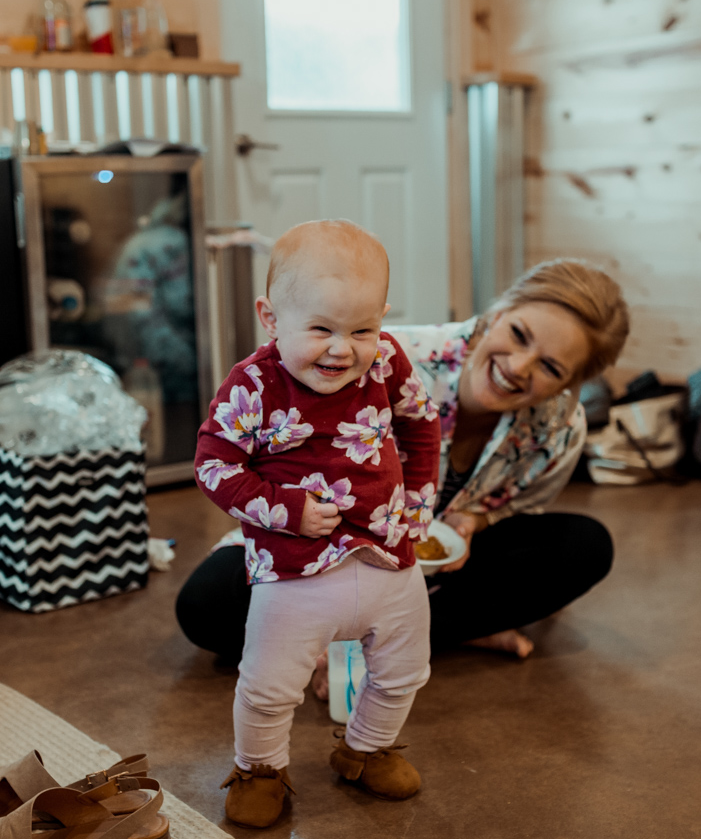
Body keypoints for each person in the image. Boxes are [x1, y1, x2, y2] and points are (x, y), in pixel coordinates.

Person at [178, 258, 630, 678]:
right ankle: (423, 636)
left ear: (570, 384)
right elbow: (258, 463)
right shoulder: (379, 358)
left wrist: (475, 519)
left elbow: (518, 513)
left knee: (585, 546)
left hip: (425, 566)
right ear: (498, 311)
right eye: (518, 334)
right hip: (315, 547)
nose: (517, 366)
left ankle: (365, 645)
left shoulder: (562, 427)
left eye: (550, 367)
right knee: (206, 604)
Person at [195, 219, 442, 829]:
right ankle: (259, 769)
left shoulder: (385, 362)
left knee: (406, 669)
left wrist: (417, 505)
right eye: (322, 329)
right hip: (293, 569)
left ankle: (366, 750)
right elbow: (214, 466)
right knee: (271, 685)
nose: (342, 349)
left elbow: (421, 422)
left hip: (388, 555)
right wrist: (284, 510)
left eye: (362, 329)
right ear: (271, 317)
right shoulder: (252, 385)